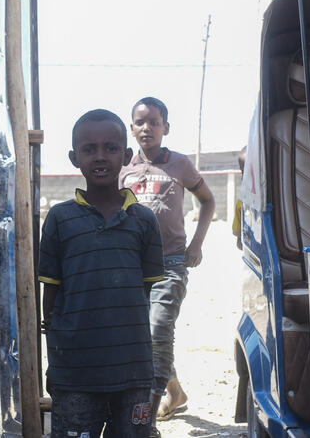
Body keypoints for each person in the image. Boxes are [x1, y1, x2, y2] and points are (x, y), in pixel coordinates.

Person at [39, 109, 165, 438]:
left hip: (132, 369)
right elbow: (49, 299)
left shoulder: (143, 220)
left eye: (110, 148)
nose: (100, 156)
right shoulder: (59, 219)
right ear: (73, 158)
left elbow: (143, 295)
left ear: (125, 155)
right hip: (75, 373)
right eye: (89, 148)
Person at [119, 97, 216, 426]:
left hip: (171, 263)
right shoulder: (123, 169)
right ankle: (175, 391)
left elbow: (207, 200)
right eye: (140, 122)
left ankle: (148, 412)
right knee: (141, 336)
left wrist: (197, 244)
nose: (147, 127)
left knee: (159, 328)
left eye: (154, 122)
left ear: (166, 128)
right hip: (132, 268)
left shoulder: (179, 165)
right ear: (131, 128)